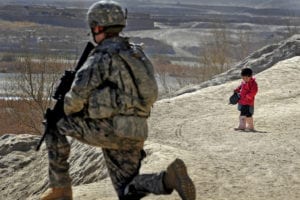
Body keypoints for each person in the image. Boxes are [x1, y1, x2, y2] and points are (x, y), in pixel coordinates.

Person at [40, 1, 196, 200]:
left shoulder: (101, 56)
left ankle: (60, 189)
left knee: (54, 124)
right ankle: (168, 179)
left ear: (97, 27)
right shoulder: (136, 54)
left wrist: (68, 107)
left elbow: (75, 99)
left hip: (110, 129)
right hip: (137, 131)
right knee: (126, 190)